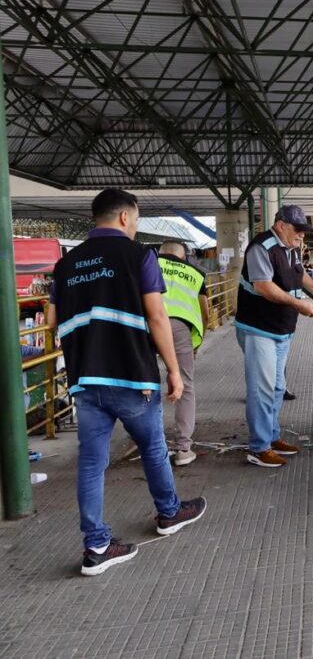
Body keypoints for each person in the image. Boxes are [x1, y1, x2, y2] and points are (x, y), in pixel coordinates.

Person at [47, 188, 207, 576]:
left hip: (85, 378)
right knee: (153, 446)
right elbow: (157, 316)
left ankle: (96, 546)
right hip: (132, 376)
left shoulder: (66, 265)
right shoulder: (139, 256)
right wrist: (173, 369)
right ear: (124, 217)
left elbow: (52, 322)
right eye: (135, 220)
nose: (135, 226)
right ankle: (169, 513)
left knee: (91, 462)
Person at [234, 205, 313, 467]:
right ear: (280, 225)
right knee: (262, 389)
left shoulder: (291, 247)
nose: (301, 235)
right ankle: (259, 447)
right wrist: (299, 305)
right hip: (259, 328)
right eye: (298, 230)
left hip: (282, 329)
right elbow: (264, 286)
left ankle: (271, 437)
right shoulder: (261, 248)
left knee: (277, 388)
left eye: (304, 231)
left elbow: (300, 274)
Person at [157, 240, 209, 466]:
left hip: (147, 325)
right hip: (179, 328)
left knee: (146, 383)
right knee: (185, 385)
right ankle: (183, 449)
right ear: (184, 257)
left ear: (159, 253)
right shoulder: (195, 273)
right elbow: (204, 312)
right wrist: (197, 343)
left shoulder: (148, 265)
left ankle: (152, 444)